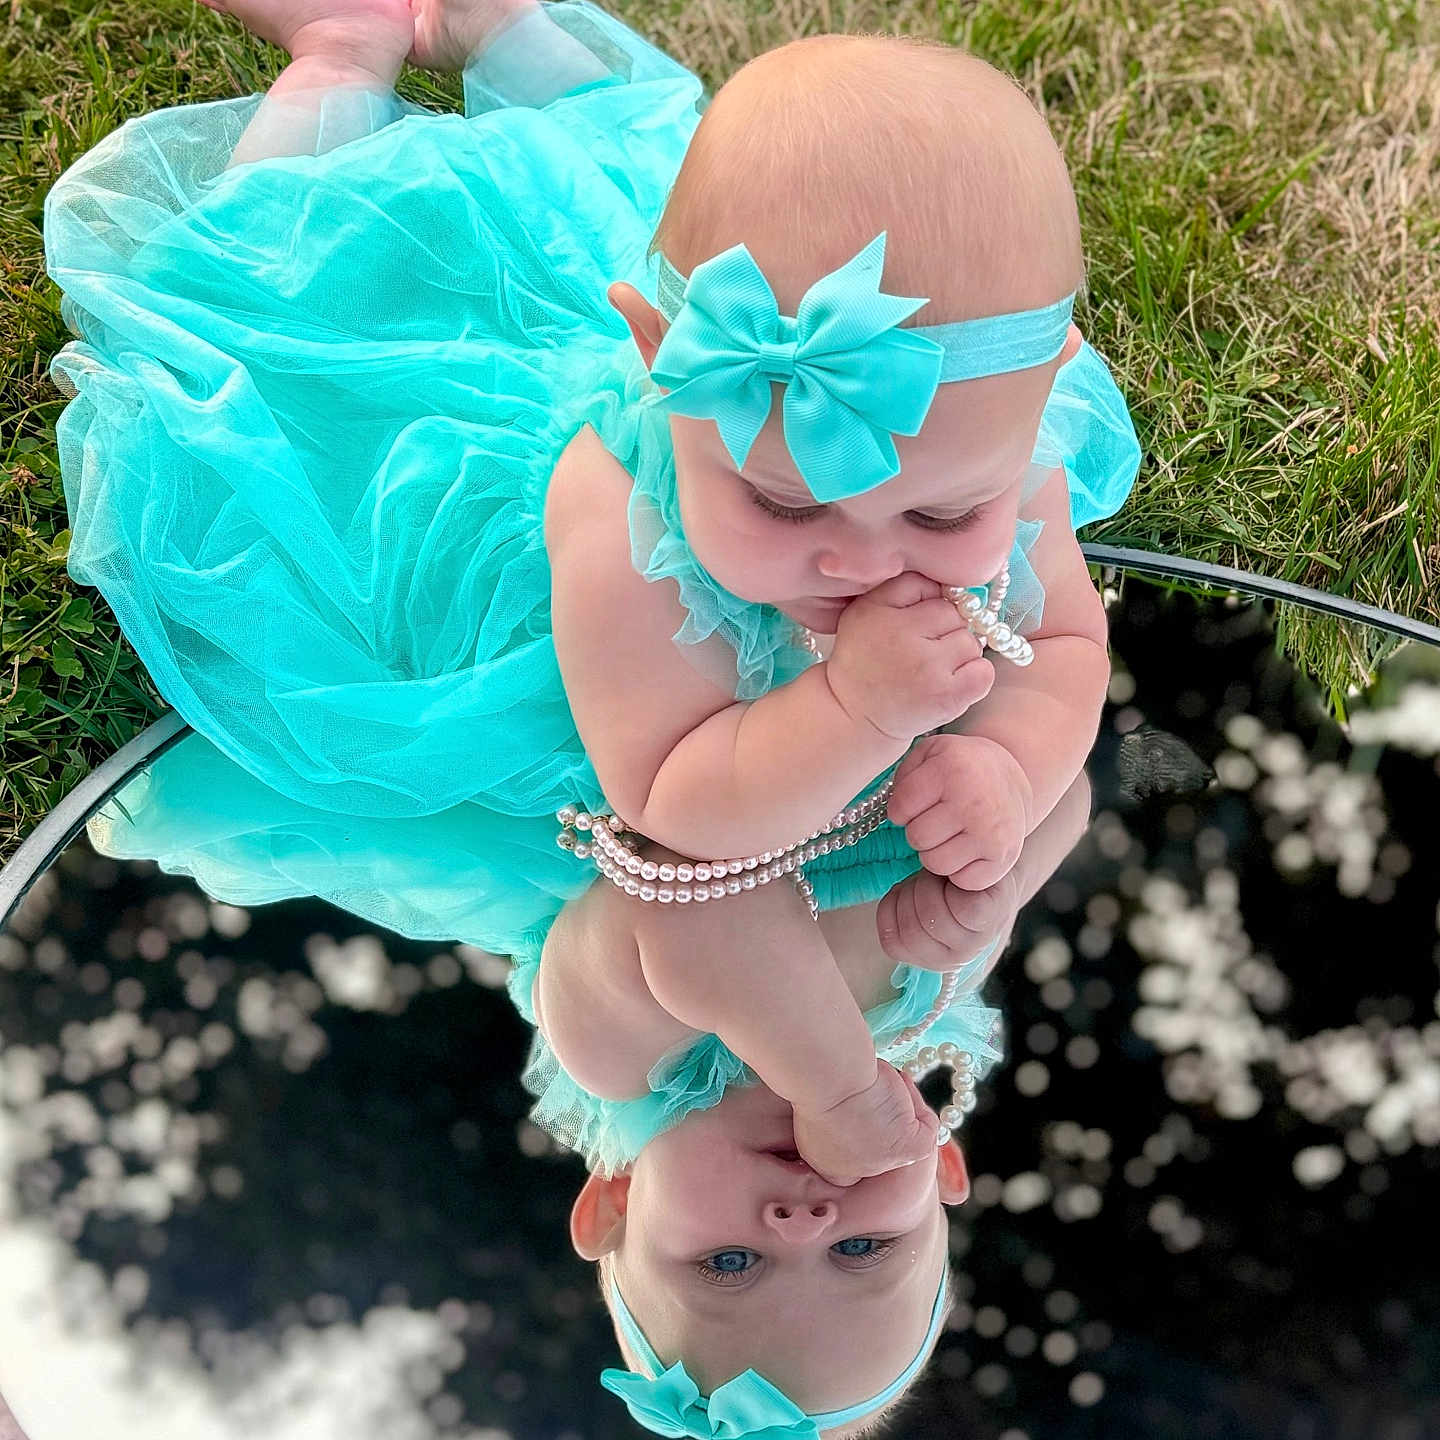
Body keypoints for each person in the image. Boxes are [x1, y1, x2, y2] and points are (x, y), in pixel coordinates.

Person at [42, 0, 1141, 977]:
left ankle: (501, 25)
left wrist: (1012, 761)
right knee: (292, 274)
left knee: (625, 160)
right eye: (784, 504)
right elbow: (673, 797)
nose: (862, 559)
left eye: (944, 516)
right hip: (473, 495)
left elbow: (1064, 652)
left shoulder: (995, 444)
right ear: (662, 362)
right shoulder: (617, 512)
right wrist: (854, 710)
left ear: (1039, 404)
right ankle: (343, 54)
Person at [532, 772, 1093, 1434]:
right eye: (863, 1247)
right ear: (939, 1160)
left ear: (618, 1196)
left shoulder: (615, 1047)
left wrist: (840, 1092)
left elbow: (687, 890)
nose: (806, 1222)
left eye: (730, 1263)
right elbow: (1073, 796)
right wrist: (1001, 819)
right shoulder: (927, 984)